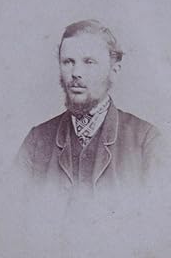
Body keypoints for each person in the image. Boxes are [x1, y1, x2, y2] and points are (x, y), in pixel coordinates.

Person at [17, 19, 160, 192]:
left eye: (89, 62)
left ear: (114, 71)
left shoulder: (146, 141)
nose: (76, 73)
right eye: (68, 62)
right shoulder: (36, 141)